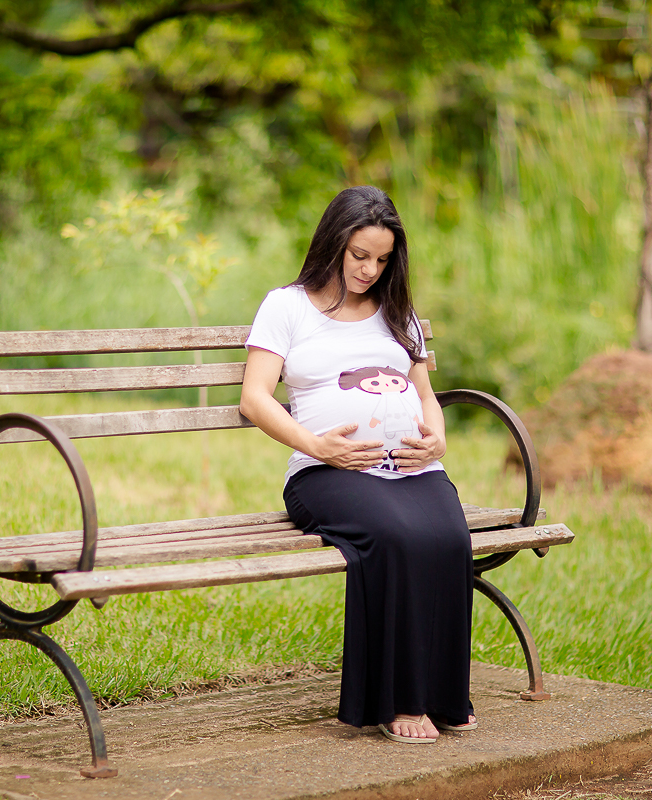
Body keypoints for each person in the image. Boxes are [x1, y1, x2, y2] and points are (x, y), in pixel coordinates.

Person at [239, 185, 477, 744]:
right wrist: (320, 447)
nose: (370, 269)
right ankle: (397, 701)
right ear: (333, 243)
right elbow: (254, 398)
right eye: (359, 256)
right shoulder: (287, 306)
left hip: (410, 467)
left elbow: (424, 395)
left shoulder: (397, 311)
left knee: (449, 537)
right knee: (394, 537)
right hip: (327, 473)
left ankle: (443, 695)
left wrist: (437, 439)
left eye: (382, 259)